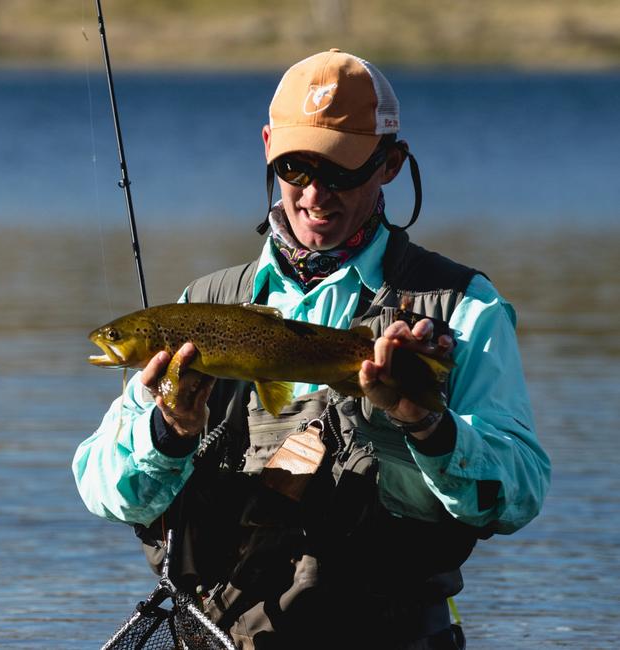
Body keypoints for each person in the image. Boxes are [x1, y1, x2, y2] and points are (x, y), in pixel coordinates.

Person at [73, 49, 551, 649]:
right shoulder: (205, 303)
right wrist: (170, 433)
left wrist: (424, 423)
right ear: (269, 148)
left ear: (391, 164)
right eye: (297, 167)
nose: (315, 194)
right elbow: (102, 487)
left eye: (343, 171)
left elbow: (516, 496)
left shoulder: (461, 307)